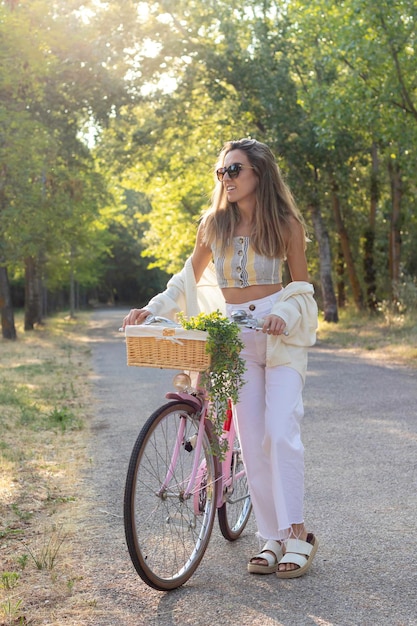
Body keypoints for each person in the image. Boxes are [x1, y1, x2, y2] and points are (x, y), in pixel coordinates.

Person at [123, 138, 319, 579]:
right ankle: (271, 537)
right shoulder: (212, 225)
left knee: (280, 431)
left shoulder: (286, 224)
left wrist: (284, 313)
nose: (226, 178)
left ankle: (299, 533)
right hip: (234, 339)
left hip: (279, 335)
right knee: (250, 442)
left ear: (258, 174)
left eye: (235, 170)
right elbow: (185, 280)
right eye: (222, 171)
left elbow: (302, 288)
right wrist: (153, 309)